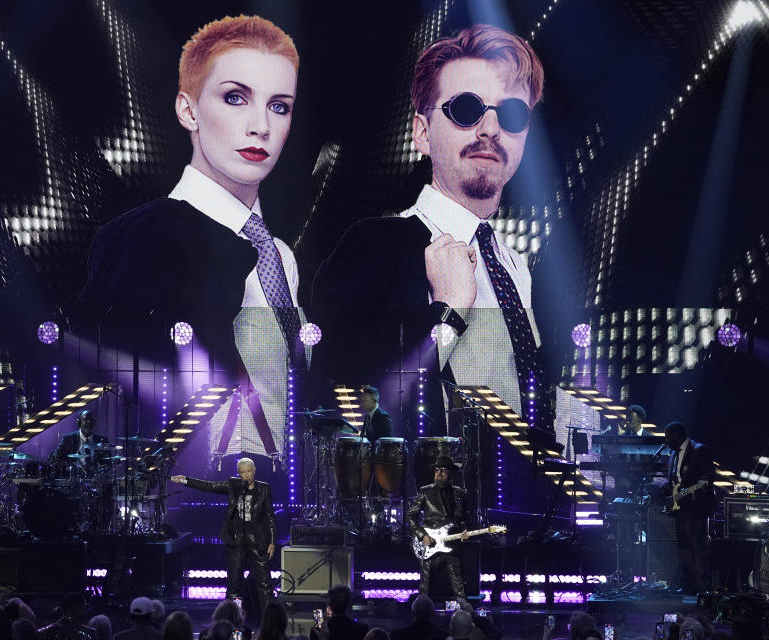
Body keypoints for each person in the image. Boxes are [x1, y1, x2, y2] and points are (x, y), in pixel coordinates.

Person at [79, 14, 306, 465]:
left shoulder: (280, 255)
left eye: (279, 106)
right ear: (188, 110)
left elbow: (292, 391)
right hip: (181, 488)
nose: (260, 125)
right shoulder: (142, 236)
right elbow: (110, 389)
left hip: (282, 488)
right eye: (235, 98)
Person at [311, 24, 551, 432]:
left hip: (521, 488)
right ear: (422, 133)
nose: (491, 129)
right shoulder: (373, 245)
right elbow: (341, 405)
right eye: (466, 109)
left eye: (511, 114)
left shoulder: (515, 266)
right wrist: (448, 312)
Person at [172, 458, 275, 608]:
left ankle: (270, 622)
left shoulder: (264, 488)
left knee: (265, 584)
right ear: (239, 474)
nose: (246, 475)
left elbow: (270, 516)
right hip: (236, 540)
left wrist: (272, 541)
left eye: (248, 471)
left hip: (257, 540)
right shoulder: (234, 485)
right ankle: (234, 620)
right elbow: (210, 486)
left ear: (254, 471)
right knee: (234, 585)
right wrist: (186, 480)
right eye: (242, 472)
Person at [407, 456, 470, 600]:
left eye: (443, 470)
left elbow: (465, 519)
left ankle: (464, 615)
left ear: (451, 473)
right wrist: (422, 535)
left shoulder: (459, 493)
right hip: (431, 542)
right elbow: (410, 516)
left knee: (459, 586)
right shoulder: (425, 491)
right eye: (437, 469)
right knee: (426, 586)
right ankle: (421, 614)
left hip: (452, 543)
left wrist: (464, 530)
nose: (439, 472)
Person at [663, 421, 715, 594]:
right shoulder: (673, 453)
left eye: (668, 436)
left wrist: (688, 491)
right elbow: (675, 479)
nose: (666, 440)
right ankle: (688, 586)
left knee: (697, 548)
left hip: (697, 508)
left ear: (677, 435)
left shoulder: (699, 450)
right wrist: (667, 489)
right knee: (683, 548)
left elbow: (708, 478)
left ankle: (702, 589)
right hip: (681, 509)